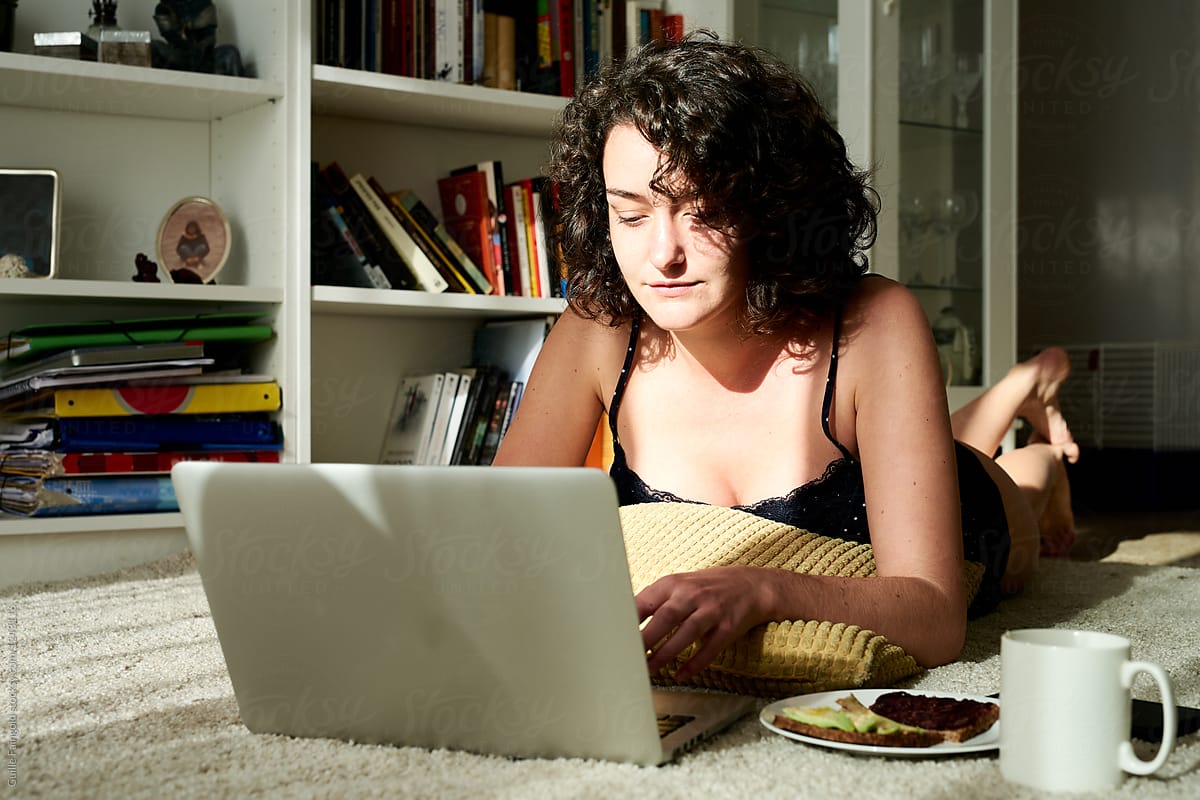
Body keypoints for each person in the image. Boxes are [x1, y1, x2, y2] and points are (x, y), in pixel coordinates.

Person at [492, 33, 1078, 682]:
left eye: (704, 212)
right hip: (885, 451)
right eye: (631, 216)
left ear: (773, 208)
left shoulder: (875, 320)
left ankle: (1034, 420)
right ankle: (1015, 394)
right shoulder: (598, 326)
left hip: (982, 511)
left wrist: (764, 590)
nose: (663, 255)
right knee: (934, 438)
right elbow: (492, 537)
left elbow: (936, 619)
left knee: (1013, 475)